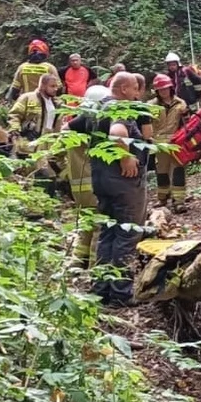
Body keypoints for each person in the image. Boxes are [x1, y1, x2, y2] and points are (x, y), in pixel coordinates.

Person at [67, 72, 145, 306]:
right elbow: (118, 132)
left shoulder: (95, 109)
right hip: (123, 184)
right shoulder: (119, 108)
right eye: (133, 89)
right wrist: (125, 158)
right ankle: (121, 293)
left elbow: (69, 127)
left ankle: (101, 288)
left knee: (107, 234)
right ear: (122, 90)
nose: (136, 94)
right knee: (127, 234)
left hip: (100, 182)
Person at [65, 84, 114, 269]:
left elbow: (57, 159)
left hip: (77, 189)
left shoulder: (70, 133)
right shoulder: (95, 137)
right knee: (99, 226)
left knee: (86, 224)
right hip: (93, 186)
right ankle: (95, 266)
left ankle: (77, 261)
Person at [150, 73, 189, 207]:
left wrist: (186, 114)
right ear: (157, 91)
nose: (164, 92)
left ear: (171, 88)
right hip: (159, 143)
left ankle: (179, 201)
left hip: (176, 141)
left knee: (178, 170)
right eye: (161, 90)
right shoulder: (151, 106)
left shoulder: (180, 104)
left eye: (166, 89)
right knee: (162, 171)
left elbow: (187, 124)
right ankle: (162, 198)